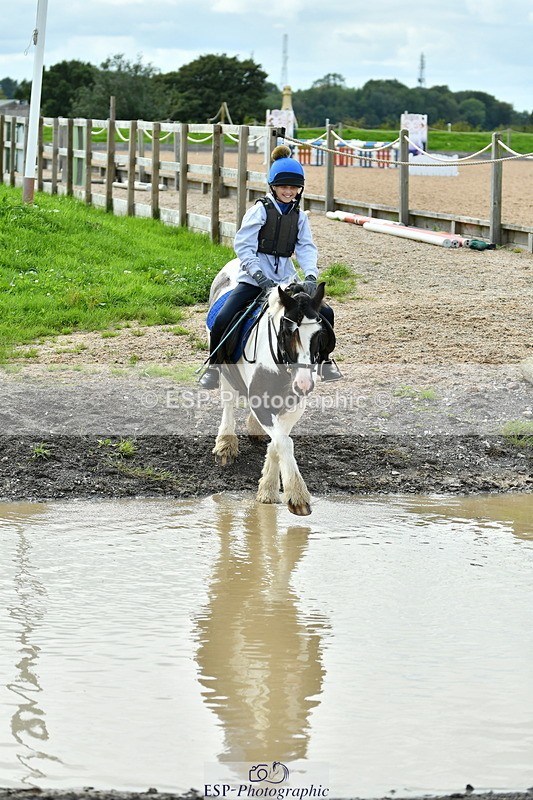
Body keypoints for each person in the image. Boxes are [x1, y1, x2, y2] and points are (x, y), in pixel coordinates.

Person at [199, 144, 342, 389]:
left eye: (294, 187)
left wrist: (309, 274)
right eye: (284, 187)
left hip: (286, 277)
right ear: (273, 187)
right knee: (224, 318)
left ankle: (324, 361)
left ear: (300, 189)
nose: (289, 191)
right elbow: (243, 245)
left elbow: (306, 247)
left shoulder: (300, 217)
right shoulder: (259, 211)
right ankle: (214, 366)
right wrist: (257, 273)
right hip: (255, 278)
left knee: (325, 313)